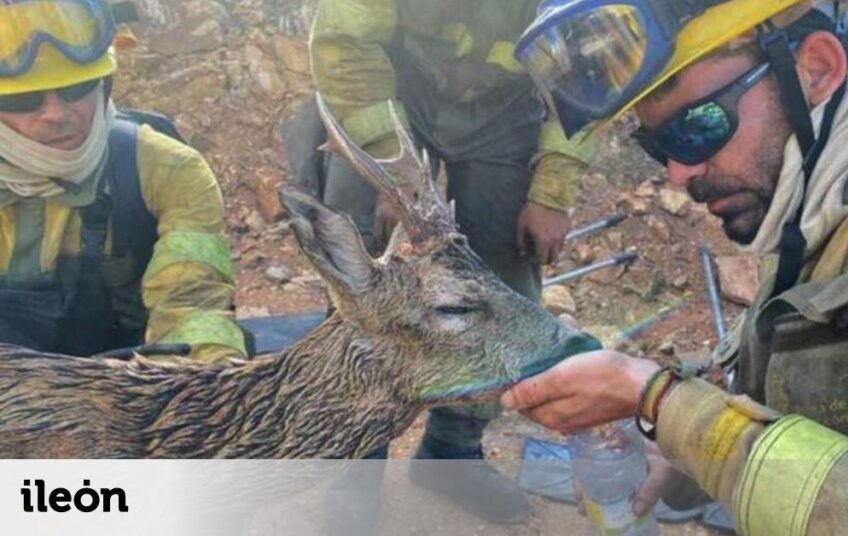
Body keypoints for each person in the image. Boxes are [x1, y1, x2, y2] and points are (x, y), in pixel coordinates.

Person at [504, 0, 848, 533]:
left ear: (816, 70)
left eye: (698, 127)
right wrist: (688, 456)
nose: (680, 173)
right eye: (658, 146)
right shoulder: (818, 215)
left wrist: (661, 400)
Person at [308, 0, 597, 524]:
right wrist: (385, 159)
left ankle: (452, 453)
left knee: (500, 283)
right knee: (362, 278)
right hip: (392, 88)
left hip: (510, 106)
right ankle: (355, 460)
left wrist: (553, 189)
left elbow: (590, 60)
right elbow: (345, 41)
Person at [0, 0, 247, 363]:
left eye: (76, 89)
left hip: (129, 394)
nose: (56, 114)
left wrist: (209, 389)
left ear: (105, 83)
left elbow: (193, 304)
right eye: (24, 100)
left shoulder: (171, 170)